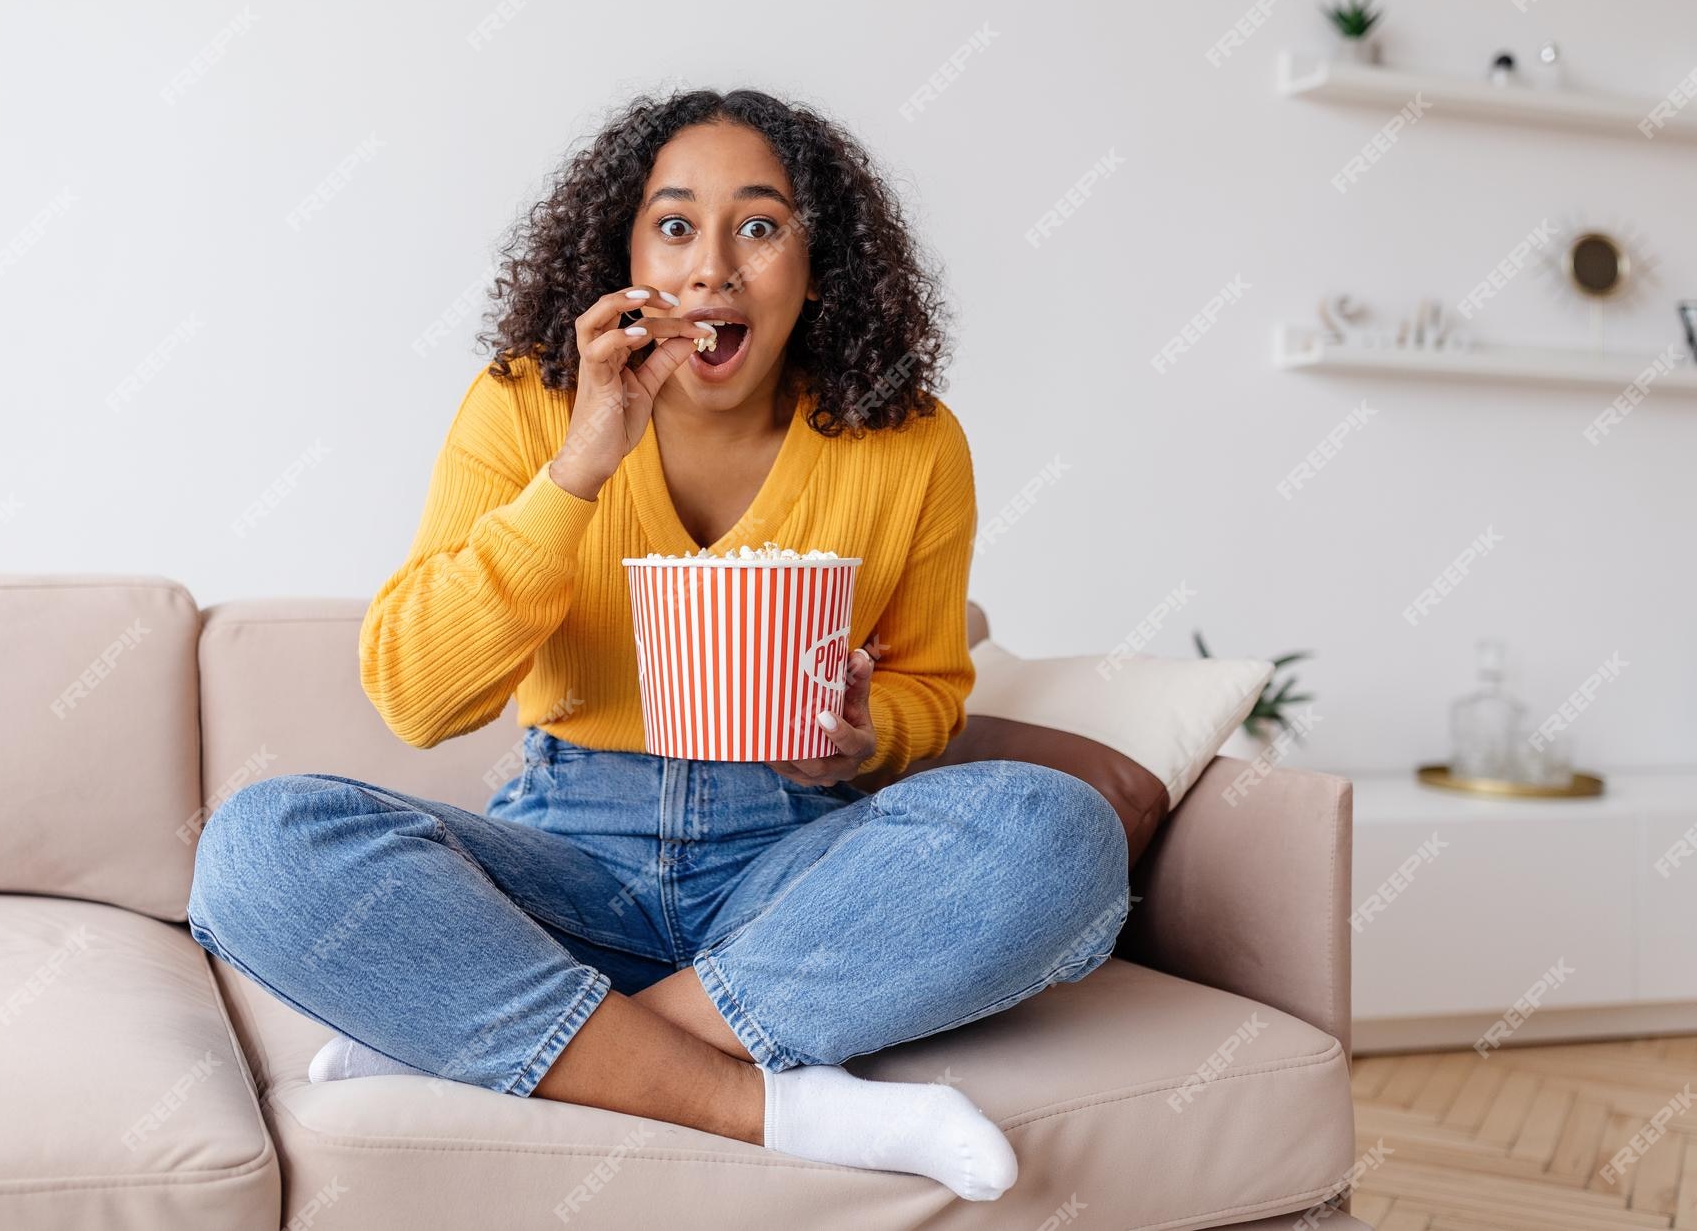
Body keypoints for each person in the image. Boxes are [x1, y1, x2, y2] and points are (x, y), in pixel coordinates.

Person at [187, 88, 1129, 1203]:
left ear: (816, 265)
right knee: (258, 845)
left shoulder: (909, 440)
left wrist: (864, 735)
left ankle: (512, 1045)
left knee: (1058, 830)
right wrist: (582, 460)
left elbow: (929, 686)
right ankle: (765, 1101)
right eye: (675, 225)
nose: (713, 268)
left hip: (786, 870)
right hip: (563, 864)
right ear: (623, 256)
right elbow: (416, 696)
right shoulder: (523, 408)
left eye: (761, 226)